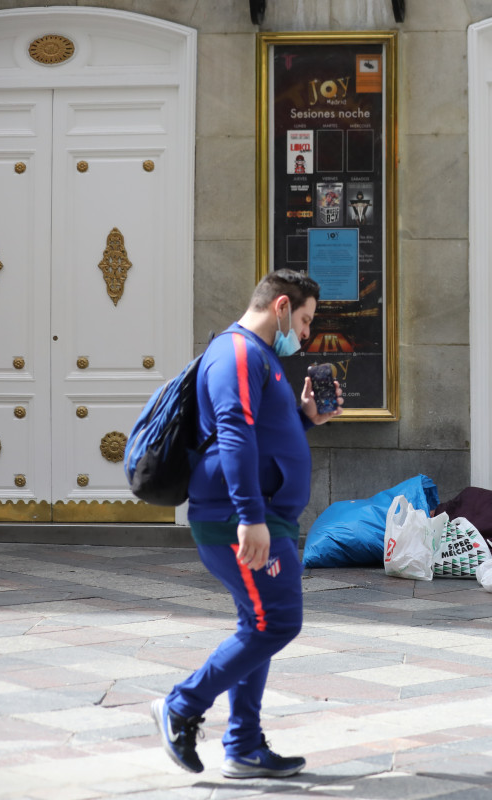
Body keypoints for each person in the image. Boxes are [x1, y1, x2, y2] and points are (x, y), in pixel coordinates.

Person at [151, 269, 342, 778]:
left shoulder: (261, 359)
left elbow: (261, 433)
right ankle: (180, 705)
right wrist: (251, 517)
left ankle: (242, 747)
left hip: (263, 514)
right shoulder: (236, 352)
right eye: (304, 320)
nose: (305, 334)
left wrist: (305, 416)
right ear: (281, 306)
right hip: (239, 516)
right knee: (277, 623)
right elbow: (232, 432)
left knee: (258, 625)